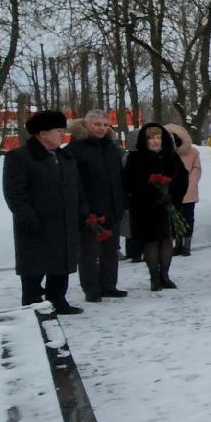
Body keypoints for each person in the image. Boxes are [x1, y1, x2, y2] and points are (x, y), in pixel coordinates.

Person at [1, 110, 84, 313]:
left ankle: (58, 299)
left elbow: (77, 189)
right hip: (37, 222)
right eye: (58, 130)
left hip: (64, 222)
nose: (62, 134)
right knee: (34, 266)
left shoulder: (65, 157)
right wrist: (27, 217)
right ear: (43, 133)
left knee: (61, 264)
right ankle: (33, 303)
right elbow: (15, 193)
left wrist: (81, 212)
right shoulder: (20, 157)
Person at [68, 110, 128, 301]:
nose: (101, 128)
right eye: (97, 124)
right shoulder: (75, 149)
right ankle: (91, 288)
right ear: (86, 125)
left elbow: (119, 177)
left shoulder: (111, 148)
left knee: (111, 250)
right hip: (90, 210)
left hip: (112, 207)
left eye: (105, 125)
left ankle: (109, 285)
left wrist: (121, 202)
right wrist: (84, 209)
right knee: (89, 252)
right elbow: (74, 183)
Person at [122, 123, 188, 289]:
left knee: (166, 240)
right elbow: (130, 182)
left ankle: (164, 275)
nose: (155, 141)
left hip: (168, 206)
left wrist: (172, 195)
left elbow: (182, 178)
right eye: (151, 138)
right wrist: (151, 194)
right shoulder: (136, 158)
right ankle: (154, 277)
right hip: (145, 208)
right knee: (151, 241)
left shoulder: (171, 156)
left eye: (158, 137)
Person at [163, 123, 203, 255]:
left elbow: (196, 170)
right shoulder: (165, 155)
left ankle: (187, 245)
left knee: (188, 217)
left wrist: (188, 185)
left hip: (188, 192)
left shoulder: (193, 153)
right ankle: (178, 243)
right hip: (172, 192)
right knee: (175, 218)